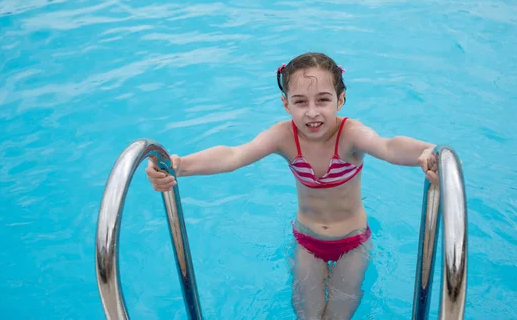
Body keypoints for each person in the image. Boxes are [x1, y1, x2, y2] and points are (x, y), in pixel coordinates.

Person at [145, 52, 439, 320]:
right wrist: (180, 166)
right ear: (286, 104)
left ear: (341, 99)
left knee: (337, 317)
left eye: (323, 100)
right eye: (300, 102)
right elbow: (234, 155)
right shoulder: (283, 137)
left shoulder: (350, 134)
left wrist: (426, 153)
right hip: (307, 242)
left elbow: (388, 146)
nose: (312, 112)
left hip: (352, 243)